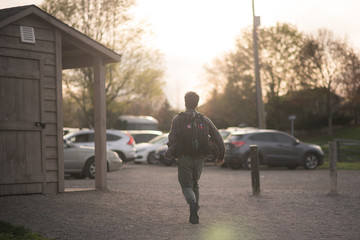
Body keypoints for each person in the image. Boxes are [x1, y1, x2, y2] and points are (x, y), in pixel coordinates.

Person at [165, 91, 225, 224]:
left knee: (186, 185)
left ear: (185, 102)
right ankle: (195, 211)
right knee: (195, 184)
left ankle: (192, 203)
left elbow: (172, 137)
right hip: (200, 158)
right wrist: (221, 155)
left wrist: (173, 152)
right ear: (197, 103)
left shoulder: (177, 119)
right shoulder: (204, 119)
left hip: (184, 157)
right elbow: (217, 137)